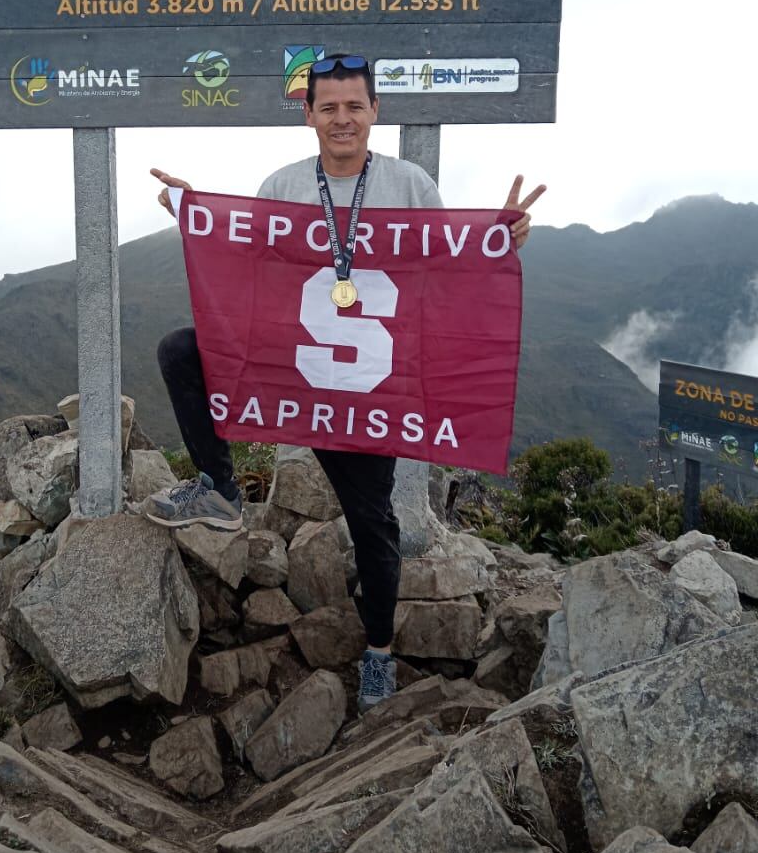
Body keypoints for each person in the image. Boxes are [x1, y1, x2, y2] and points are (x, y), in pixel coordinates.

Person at [147, 53, 545, 712]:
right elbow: (246, 266)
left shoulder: (410, 184)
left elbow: (444, 274)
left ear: (374, 113)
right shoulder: (282, 184)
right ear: (308, 115)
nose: (342, 119)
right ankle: (219, 489)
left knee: (372, 524)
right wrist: (197, 214)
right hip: (297, 369)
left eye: (353, 106)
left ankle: (380, 653)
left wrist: (501, 240)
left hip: (368, 390)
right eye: (328, 107)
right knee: (180, 351)